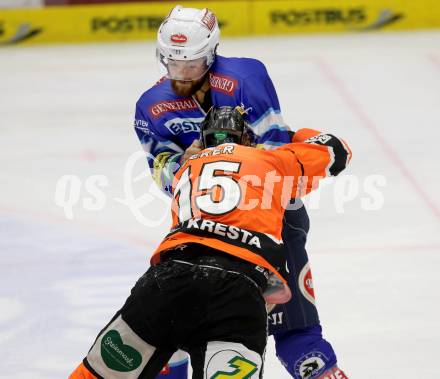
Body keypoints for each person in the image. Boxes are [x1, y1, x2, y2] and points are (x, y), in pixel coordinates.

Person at [134, 5, 348, 379]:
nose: (181, 74)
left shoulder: (245, 78)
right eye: (172, 63)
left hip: (268, 226)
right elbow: (162, 170)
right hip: (206, 224)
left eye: (192, 63)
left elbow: (276, 156)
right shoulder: (151, 106)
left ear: (212, 54)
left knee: (296, 334)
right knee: (176, 338)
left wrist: (202, 164)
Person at [69, 106, 352, 379]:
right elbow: (338, 149)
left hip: (167, 282)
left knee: (97, 374)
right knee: (297, 339)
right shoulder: (272, 161)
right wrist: (287, 137)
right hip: (238, 290)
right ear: (248, 140)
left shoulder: (185, 170)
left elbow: (167, 167)